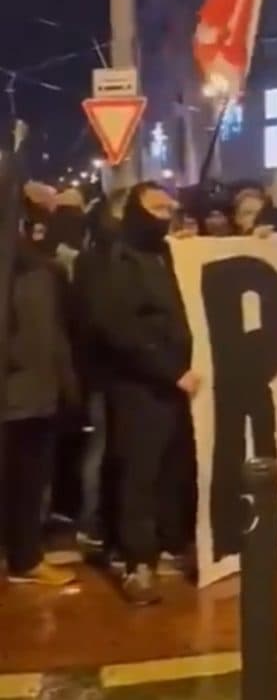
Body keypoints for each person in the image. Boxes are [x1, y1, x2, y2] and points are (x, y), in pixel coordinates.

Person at [92, 182, 197, 605]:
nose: (165, 215)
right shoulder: (115, 258)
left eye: (170, 208)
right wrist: (169, 370)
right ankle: (139, 562)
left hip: (178, 383)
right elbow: (117, 327)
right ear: (135, 210)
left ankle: (170, 541)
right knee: (140, 472)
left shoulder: (168, 254)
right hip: (139, 386)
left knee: (174, 468)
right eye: (156, 208)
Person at [2, 217, 79, 586]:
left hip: (37, 394)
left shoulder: (42, 270)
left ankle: (25, 557)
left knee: (29, 484)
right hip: (16, 394)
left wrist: (66, 386)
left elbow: (57, 332)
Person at [72, 189, 128, 554]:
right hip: (107, 371)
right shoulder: (96, 261)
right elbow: (97, 319)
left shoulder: (96, 259)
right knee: (104, 446)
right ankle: (93, 522)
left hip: (117, 371)